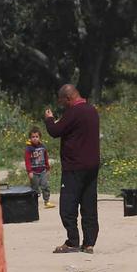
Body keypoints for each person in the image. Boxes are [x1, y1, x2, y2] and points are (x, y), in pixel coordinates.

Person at [45, 84, 101, 254]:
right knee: (88, 205)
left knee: (68, 206)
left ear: (68, 98)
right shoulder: (92, 110)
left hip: (74, 166)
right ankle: (89, 243)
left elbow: (55, 131)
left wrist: (49, 118)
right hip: (92, 165)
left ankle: (72, 241)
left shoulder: (74, 112)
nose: (62, 105)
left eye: (62, 101)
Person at [24, 127, 53, 208]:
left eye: (36, 137)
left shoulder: (43, 147)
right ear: (30, 138)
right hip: (34, 172)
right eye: (33, 137)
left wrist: (48, 168)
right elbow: (27, 161)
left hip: (43, 170)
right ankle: (34, 203)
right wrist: (29, 171)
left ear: (39, 137)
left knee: (45, 185)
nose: (35, 138)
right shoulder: (29, 148)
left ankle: (46, 201)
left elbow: (46, 157)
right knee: (34, 188)